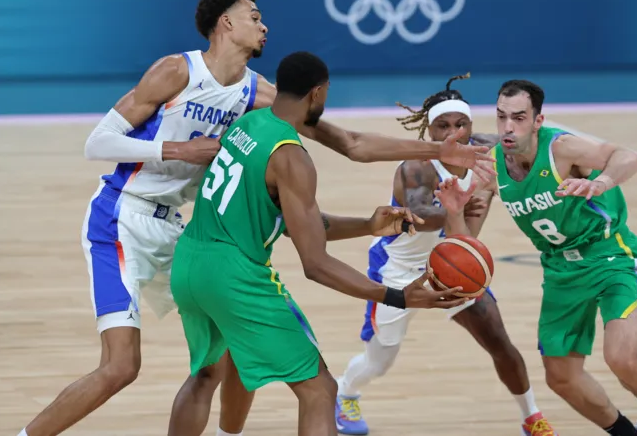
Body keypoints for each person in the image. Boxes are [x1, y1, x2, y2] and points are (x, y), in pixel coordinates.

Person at [14, 0, 495, 436]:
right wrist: (181, 150)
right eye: (255, 17)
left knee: (218, 361)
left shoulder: (260, 98)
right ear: (225, 23)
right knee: (123, 366)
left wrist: (436, 153)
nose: (264, 27)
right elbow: (96, 142)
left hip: (187, 233)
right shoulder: (176, 71)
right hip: (123, 215)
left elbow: (350, 142)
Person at [170, 50, 471, 436]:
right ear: (317, 93)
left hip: (190, 264)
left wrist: (367, 224)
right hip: (234, 276)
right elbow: (315, 264)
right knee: (320, 389)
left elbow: (297, 224)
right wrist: (395, 296)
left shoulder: (247, 123)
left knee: (210, 372)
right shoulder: (292, 157)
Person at [333, 74, 558, 436]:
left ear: (471, 124)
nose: (453, 132)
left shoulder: (488, 149)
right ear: (429, 130)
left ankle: (531, 416)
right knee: (380, 359)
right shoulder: (416, 167)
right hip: (400, 269)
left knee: (499, 340)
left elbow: (538, 146)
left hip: (454, 265)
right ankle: (344, 391)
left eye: (460, 123)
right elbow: (419, 216)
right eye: (442, 126)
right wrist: (460, 205)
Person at [466, 80, 637, 436]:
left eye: (519, 118)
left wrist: (602, 182)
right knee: (561, 377)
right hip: (560, 268)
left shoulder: (561, 148)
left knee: (621, 357)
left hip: (610, 255)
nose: (507, 127)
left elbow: (629, 156)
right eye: (502, 116)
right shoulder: (492, 166)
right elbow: (465, 235)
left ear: (537, 120)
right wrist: (453, 216)